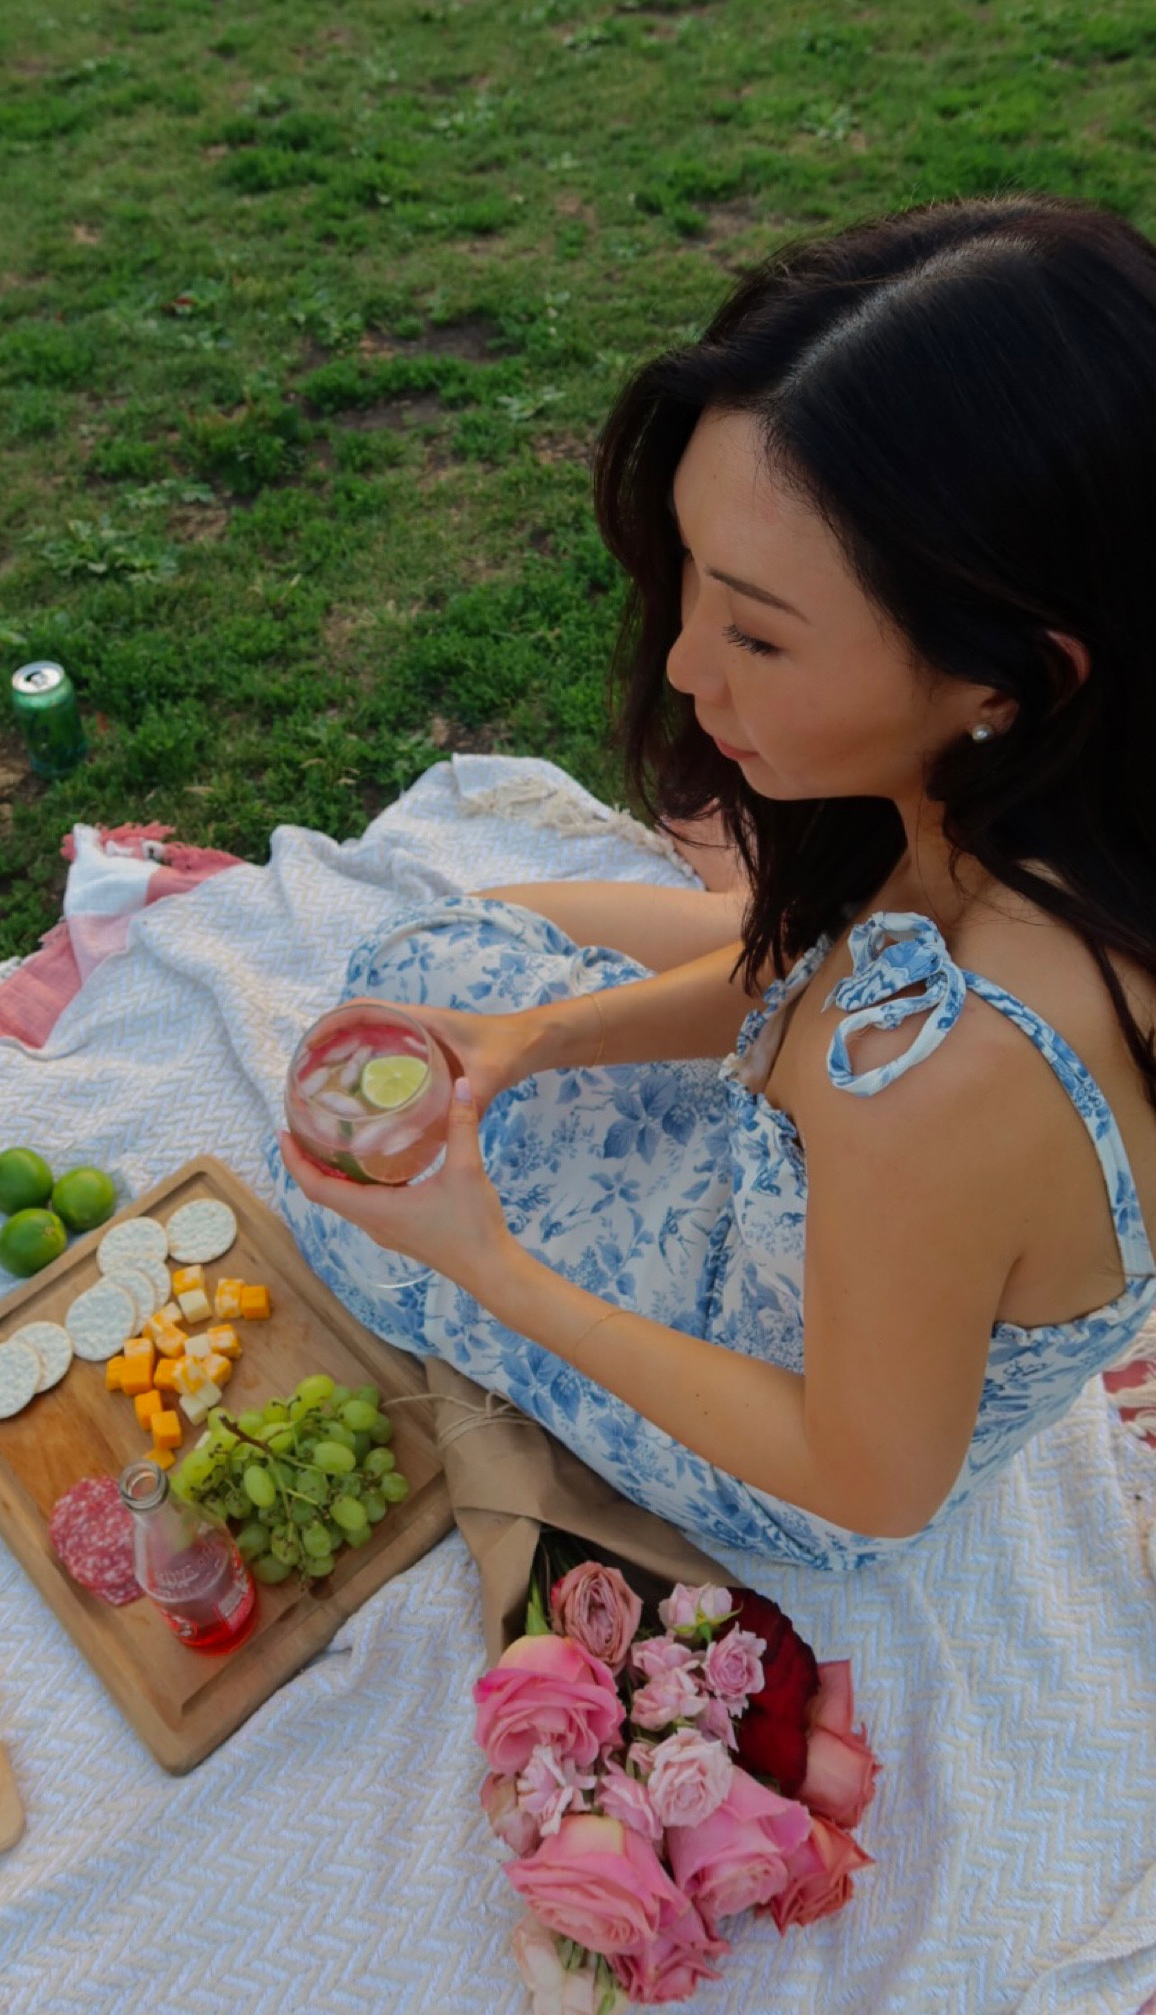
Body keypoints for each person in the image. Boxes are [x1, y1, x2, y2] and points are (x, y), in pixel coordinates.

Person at [271, 192, 1156, 1570]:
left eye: (758, 634)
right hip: (842, 1214)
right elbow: (802, 975)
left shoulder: (938, 1073)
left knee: (369, 1193)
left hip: (794, 1440)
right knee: (455, 965)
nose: (685, 666)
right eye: (692, 574)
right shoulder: (1052, 819)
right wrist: (535, 1041)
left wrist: (484, 1263)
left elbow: (868, 1481)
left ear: (1009, 677)